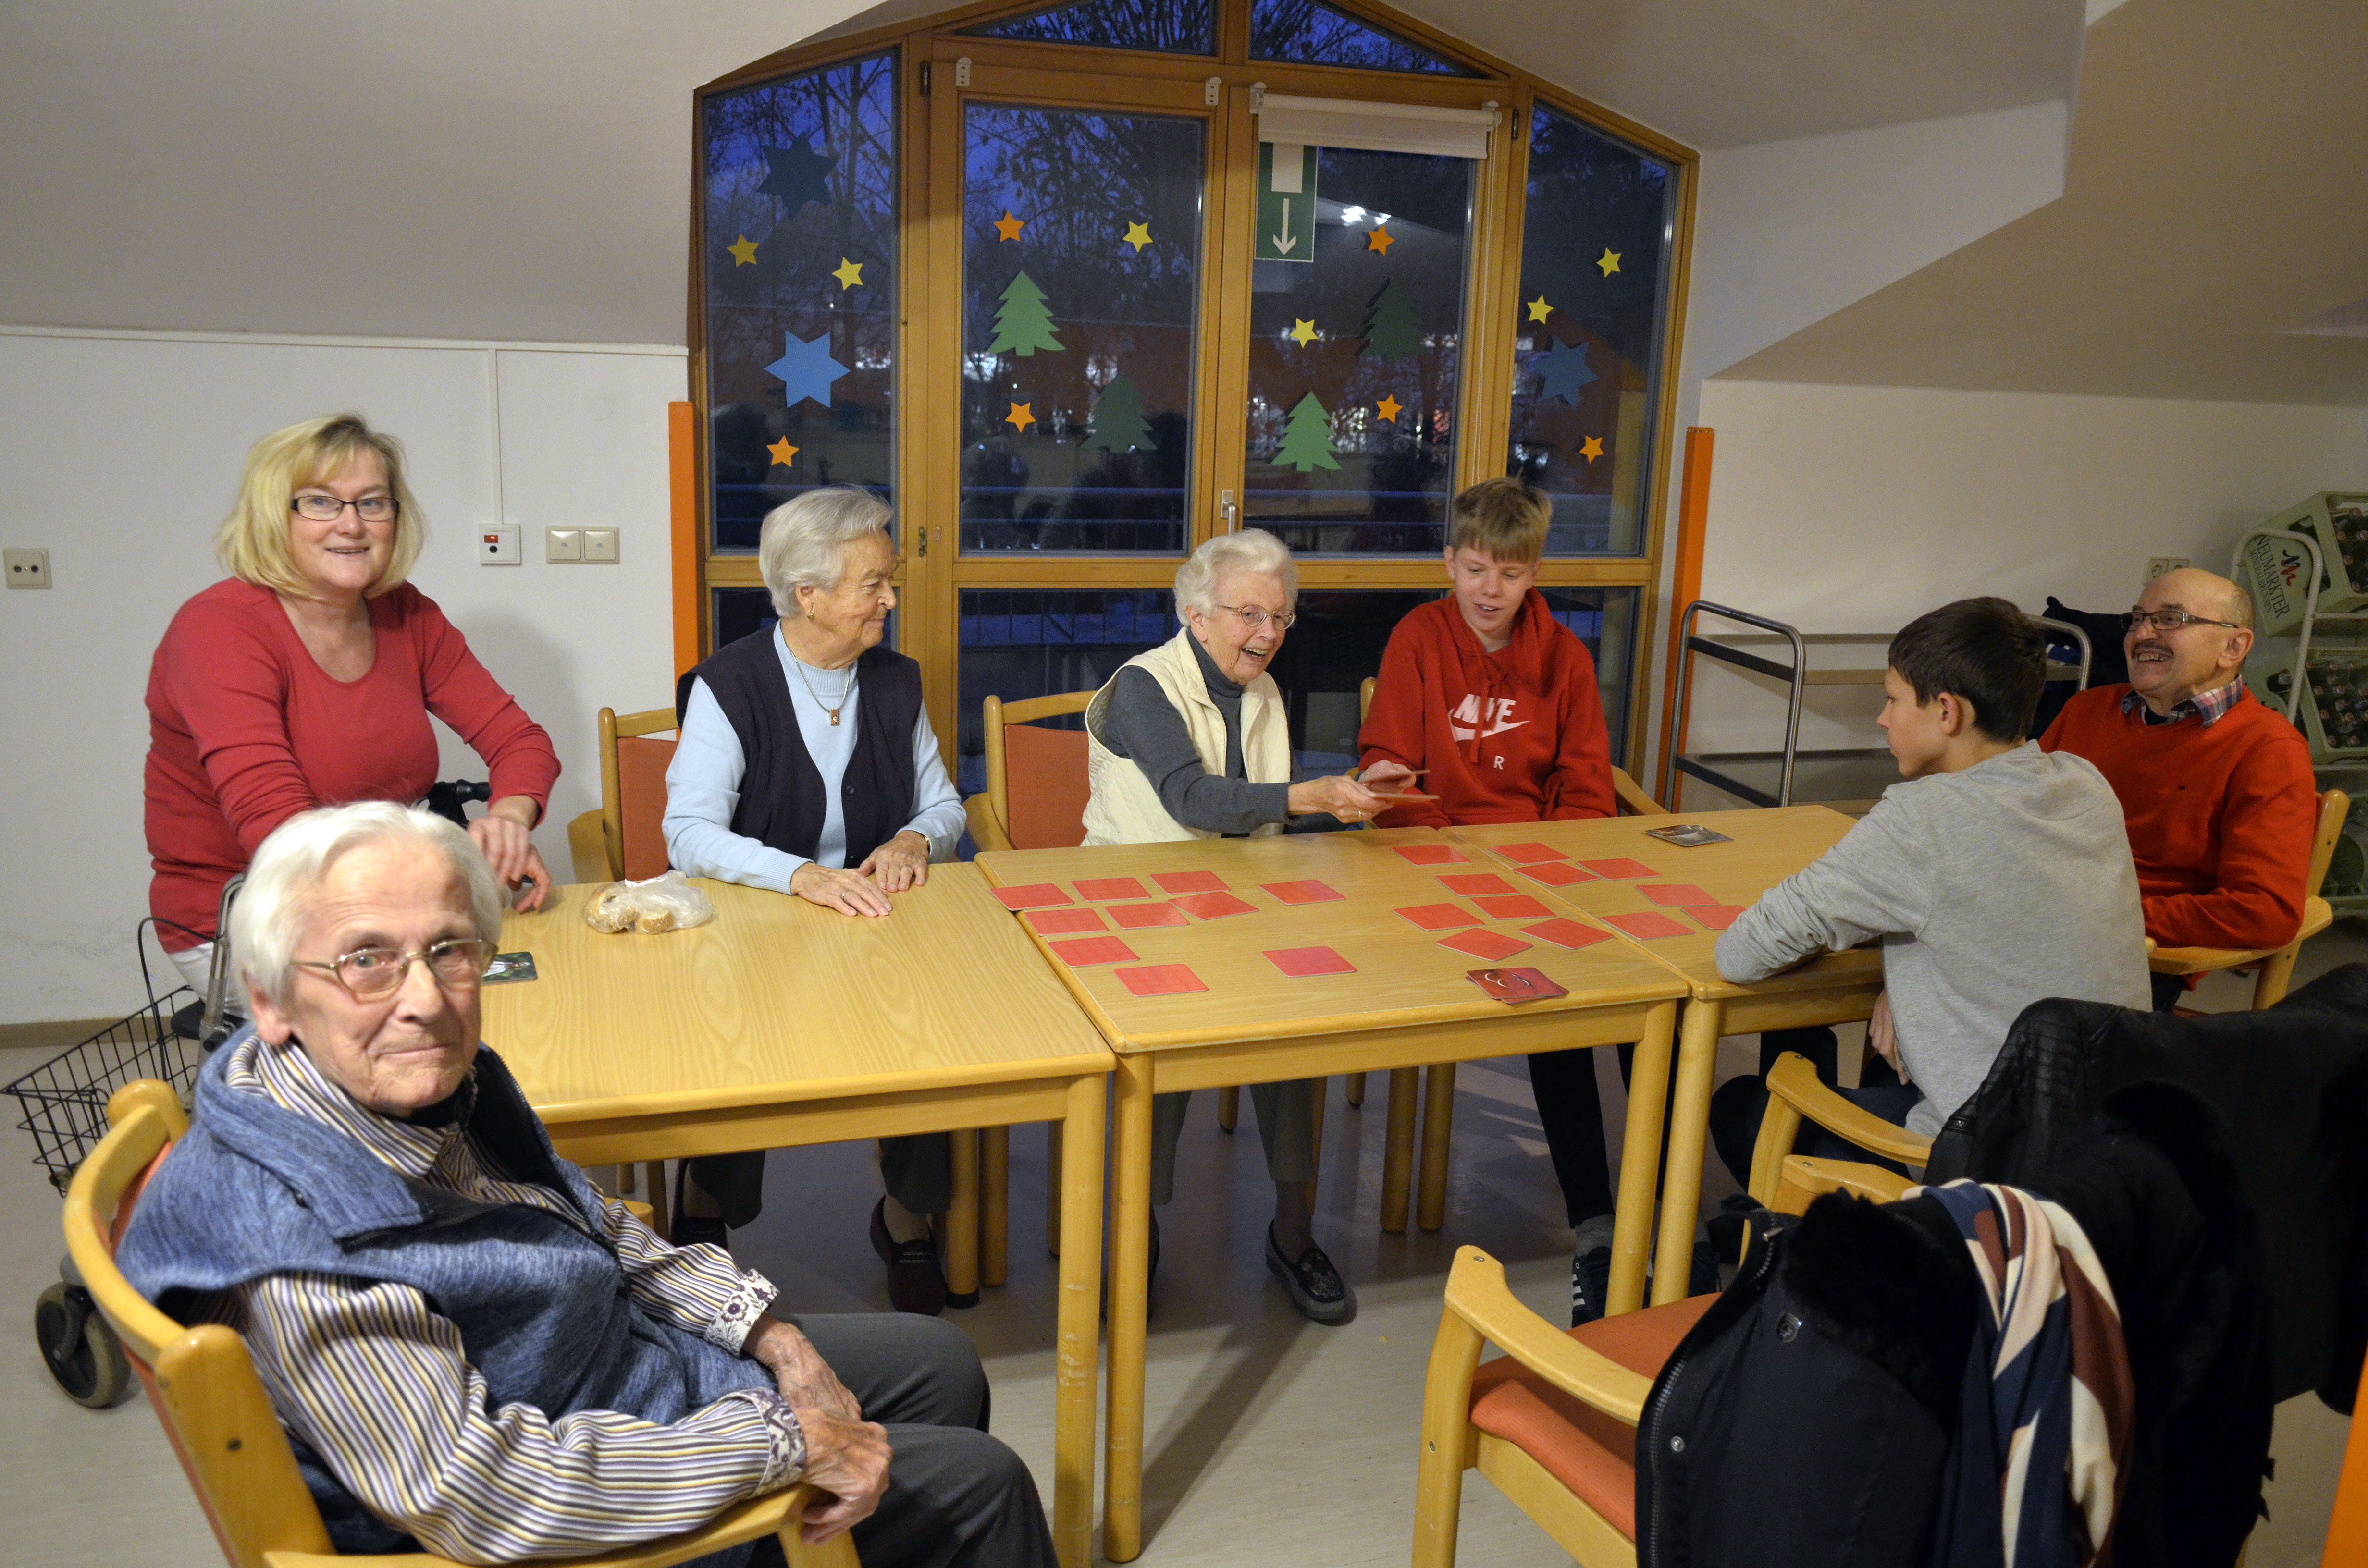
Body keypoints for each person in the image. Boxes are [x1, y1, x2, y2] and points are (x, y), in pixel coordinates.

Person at [114, 803, 1053, 1568]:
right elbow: (476, 1491)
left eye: (450, 949)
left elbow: (588, 1222)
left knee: (941, 1363)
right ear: (271, 996)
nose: (426, 1000)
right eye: (367, 960)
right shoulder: (303, 1245)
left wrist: (766, 1330)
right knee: (983, 1484)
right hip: (575, 1507)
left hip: (610, 1367)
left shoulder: (381, 1089)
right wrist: (779, 1442)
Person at [1705, 598, 2154, 1186]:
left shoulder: (1920, 820)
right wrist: (1898, 973)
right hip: (2108, 1152)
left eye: (1893, 699)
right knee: (1876, 1077)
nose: (1881, 718)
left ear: (1946, 711)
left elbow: (1741, 953)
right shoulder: (2085, 785)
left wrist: (1893, 952)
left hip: (1975, 1164)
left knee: (1742, 1105)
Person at [1083, 528, 1405, 1323]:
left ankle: (1292, 1234)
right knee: (1151, 1048)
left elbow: (1262, 826)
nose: (1266, 634)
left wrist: (1353, 799)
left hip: (1240, 902)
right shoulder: (1138, 688)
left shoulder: (1259, 688)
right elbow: (1192, 799)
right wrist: (1308, 795)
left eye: (1281, 617)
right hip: (1138, 906)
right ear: (1194, 613)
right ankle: (1133, 1232)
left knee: (1299, 1028)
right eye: (1249, 614)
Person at [664, 487, 968, 1314]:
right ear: (808, 594)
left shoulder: (896, 682)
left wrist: (915, 839)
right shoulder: (729, 683)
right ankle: (703, 1219)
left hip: (874, 920)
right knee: (735, 1041)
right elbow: (687, 832)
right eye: (873, 582)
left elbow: (945, 806)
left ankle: (907, 1218)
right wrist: (797, 874)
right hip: (760, 921)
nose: (890, 599)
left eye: (888, 580)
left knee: (924, 1029)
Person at [144, 414, 559, 1007]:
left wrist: (508, 826)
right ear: (272, 515)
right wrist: (448, 864)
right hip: (256, 913)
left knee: (528, 997)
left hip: (386, 896)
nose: (351, 524)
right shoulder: (218, 629)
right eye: (319, 502)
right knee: (444, 1027)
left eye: (372, 503)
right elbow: (281, 830)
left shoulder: (406, 614)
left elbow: (521, 741)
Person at [1356, 477, 1640, 1323]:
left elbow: (1585, 788)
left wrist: (1541, 872)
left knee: (1616, 1004)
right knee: (1553, 1015)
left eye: (1508, 576)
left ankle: (1632, 1225)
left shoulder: (1565, 656)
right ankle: (1599, 1222)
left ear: (1533, 573)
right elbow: (1393, 768)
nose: (1488, 591)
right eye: (1474, 569)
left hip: (1541, 874)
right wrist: (1403, 804)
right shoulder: (1417, 636)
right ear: (1449, 561)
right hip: (1437, 870)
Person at [2038, 566, 2318, 1007]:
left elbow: (2264, 910)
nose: (2143, 633)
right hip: (2031, 921)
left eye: (2171, 619)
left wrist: (2108, 919)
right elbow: (2010, 815)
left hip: (2125, 955)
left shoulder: (2268, 749)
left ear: (2234, 646)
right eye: (2137, 618)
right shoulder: (2086, 710)